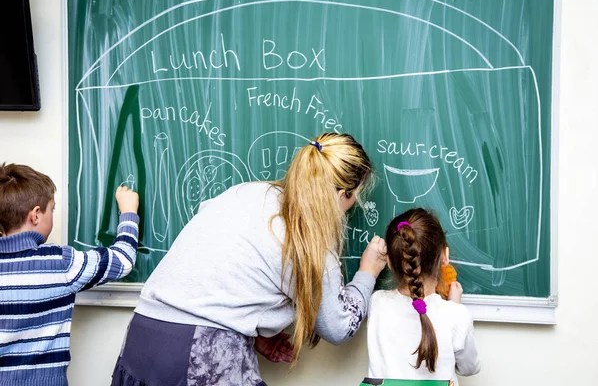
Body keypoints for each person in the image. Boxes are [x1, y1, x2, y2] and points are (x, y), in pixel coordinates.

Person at [111, 133, 388, 386]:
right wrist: (367, 273)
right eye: (356, 197)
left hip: (141, 337)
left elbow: (216, 268)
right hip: (199, 355)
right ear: (343, 195)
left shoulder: (244, 192)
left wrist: (249, 334)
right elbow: (338, 327)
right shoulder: (310, 237)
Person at [0, 163, 140, 386]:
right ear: (36, 215)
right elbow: (123, 260)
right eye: (51, 209)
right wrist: (129, 212)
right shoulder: (58, 264)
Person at [365, 208, 480, 385]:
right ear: (444, 255)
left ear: (388, 262)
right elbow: (470, 367)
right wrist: (454, 306)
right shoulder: (456, 316)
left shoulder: (377, 303)